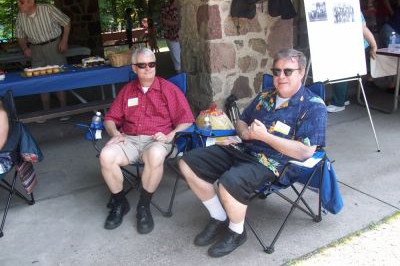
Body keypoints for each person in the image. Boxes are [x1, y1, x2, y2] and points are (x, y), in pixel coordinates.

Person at [178, 49, 327, 257]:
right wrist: (245, 134)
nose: (280, 77)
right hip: (243, 148)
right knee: (188, 163)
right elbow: (241, 120)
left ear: (301, 72)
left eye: (287, 71)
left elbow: (304, 152)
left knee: (228, 183)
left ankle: (236, 232)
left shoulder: (313, 107)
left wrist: (265, 137)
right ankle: (219, 216)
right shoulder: (265, 96)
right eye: (276, 71)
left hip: (274, 163)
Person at [99, 47, 194, 233]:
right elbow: (110, 118)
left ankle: (143, 206)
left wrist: (170, 135)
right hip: (129, 139)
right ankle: (120, 203)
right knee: (105, 155)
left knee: (156, 154)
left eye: (152, 64)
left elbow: (187, 120)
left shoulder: (169, 89)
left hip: (157, 140)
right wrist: (115, 134)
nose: (148, 68)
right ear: (134, 68)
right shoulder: (127, 91)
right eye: (142, 65)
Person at [15, 0, 71, 121]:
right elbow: (20, 35)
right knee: (39, 79)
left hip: (54, 46)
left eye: (21, 2)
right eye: (18, 2)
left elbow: (66, 23)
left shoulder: (48, 9)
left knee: (59, 76)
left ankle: (64, 110)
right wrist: (24, 48)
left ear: (31, 2)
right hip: (35, 49)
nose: (19, 4)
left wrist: (64, 41)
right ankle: (46, 112)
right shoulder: (20, 15)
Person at [326, 14, 377, 113]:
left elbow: (363, 28)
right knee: (345, 72)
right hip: (350, 43)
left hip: (351, 44)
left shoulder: (351, 7)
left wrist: (373, 45)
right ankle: (343, 99)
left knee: (339, 73)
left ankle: (338, 103)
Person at [160, 0, 181, 73]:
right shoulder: (166, 6)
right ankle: (180, 78)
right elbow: (163, 20)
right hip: (172, 36)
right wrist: (177, 23)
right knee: (177, 59)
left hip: (184, 36)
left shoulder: (185, 5)